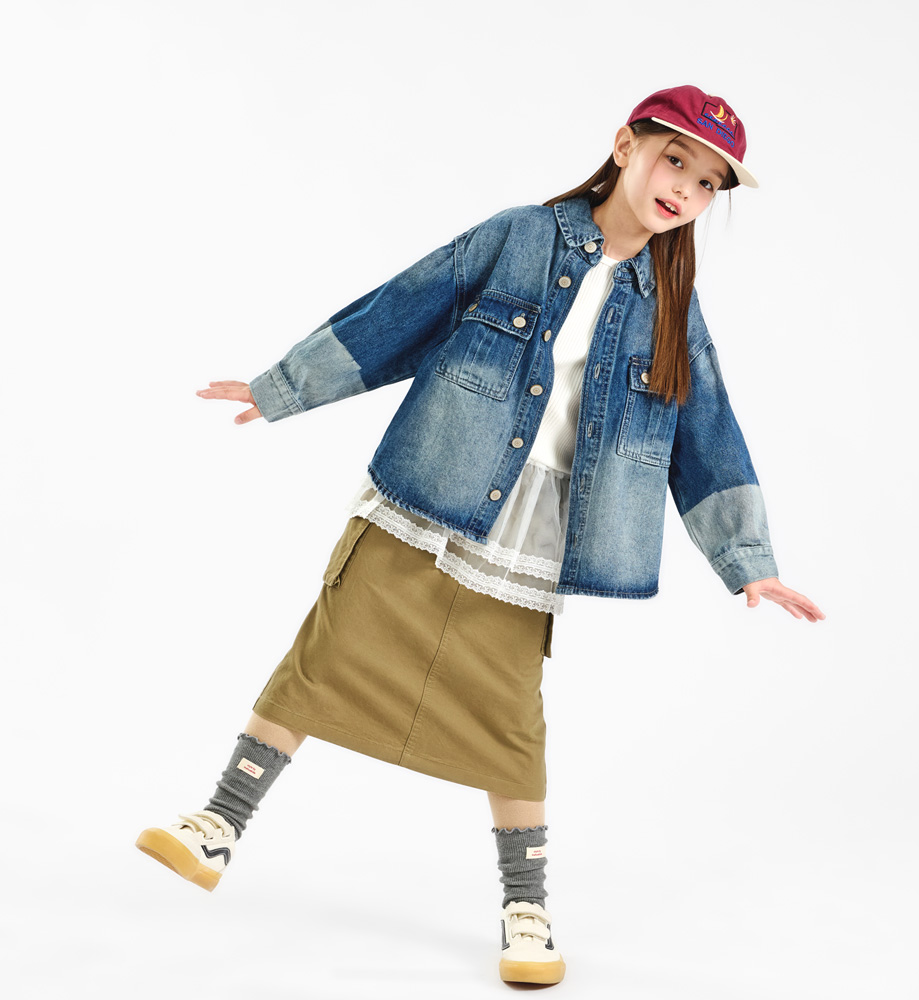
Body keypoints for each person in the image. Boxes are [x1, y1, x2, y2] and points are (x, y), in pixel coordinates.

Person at [135, 84, 825, 986]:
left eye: (706, 184)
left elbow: (707, 434)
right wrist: (284, 387)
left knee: (508, 717)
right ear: (625, 146)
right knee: (329, 650)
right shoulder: (521, 236)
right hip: (434, 486)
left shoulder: (672, 307)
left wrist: (747, 561)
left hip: (535, 532)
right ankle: (219, 825)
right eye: (675, 161)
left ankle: (525, 910)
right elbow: (405, 308)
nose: (685, 190)